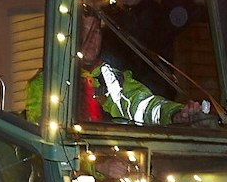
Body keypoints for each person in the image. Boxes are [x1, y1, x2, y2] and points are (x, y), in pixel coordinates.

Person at [26, 10, 208, 127]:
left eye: (96, 32)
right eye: (83, 30)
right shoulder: (46, 83)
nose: (90, 39)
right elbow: (47, 138)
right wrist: (97, 165)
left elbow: (143, 105)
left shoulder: (112, 78)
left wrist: (176, 113)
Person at [102, 0, 199, 98]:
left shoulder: (158, 19)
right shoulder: (102, 21)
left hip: (154, 102)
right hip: (111, 103)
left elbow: (186, 10)